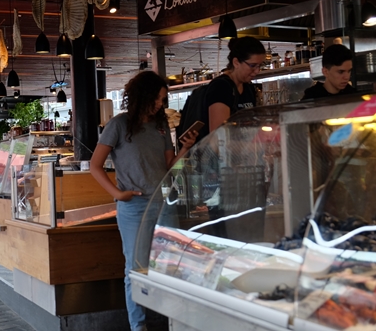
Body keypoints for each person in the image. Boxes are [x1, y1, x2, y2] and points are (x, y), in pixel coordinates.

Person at [90, 71, 196, 331]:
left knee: (171, 266)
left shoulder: (161, 125)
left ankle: (173, 323)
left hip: (165, 203)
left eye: (163, 99)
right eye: (157, 99)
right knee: (136, 269)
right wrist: (118, 194)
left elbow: (169, 167)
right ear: (143, 96)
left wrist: (185, 148)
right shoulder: (119, 124)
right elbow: (95, 165)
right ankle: (138, 326)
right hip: (134, 206)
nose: (161, 104)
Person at [206, 36, 266, 133]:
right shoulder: (221, 87)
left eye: (260, 65)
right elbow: (219, 135)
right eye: (252, 65)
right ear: (236, 62)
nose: (257, 71)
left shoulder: (248, 87)